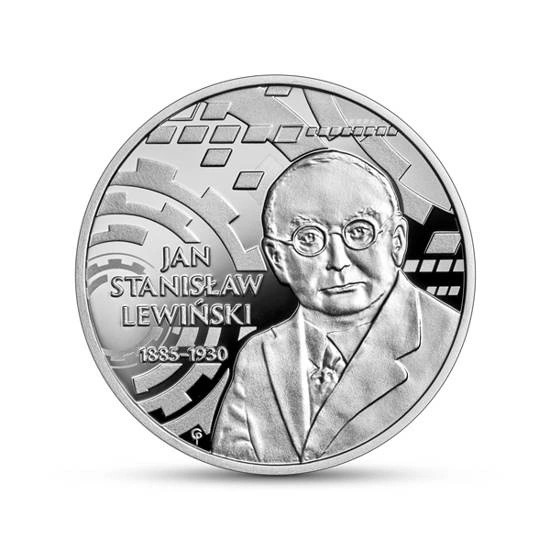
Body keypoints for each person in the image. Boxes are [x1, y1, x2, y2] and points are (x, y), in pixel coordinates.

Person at [212, 150, 459, 463]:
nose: (338, 261)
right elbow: (234, 472)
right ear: (278, 258)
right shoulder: (258, 355)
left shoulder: (450, 341)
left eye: (359, 231)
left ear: (396, 241)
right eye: (308, 238)